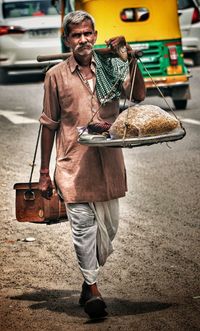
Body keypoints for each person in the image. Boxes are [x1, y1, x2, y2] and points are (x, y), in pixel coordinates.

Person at [39, 10, 145, 319]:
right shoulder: (56, 75)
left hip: (108, 162)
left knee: (108, 230)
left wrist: (131, 60)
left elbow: (137, 95)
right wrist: (44, 173)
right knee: (83, 227)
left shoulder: (111, 67)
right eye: (76, 35)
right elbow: (48, 124)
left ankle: (88, 281)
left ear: (95, 36)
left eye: (88, 33)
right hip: (73, 165)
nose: (83, 39)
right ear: (67, 40)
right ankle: (93, 287)